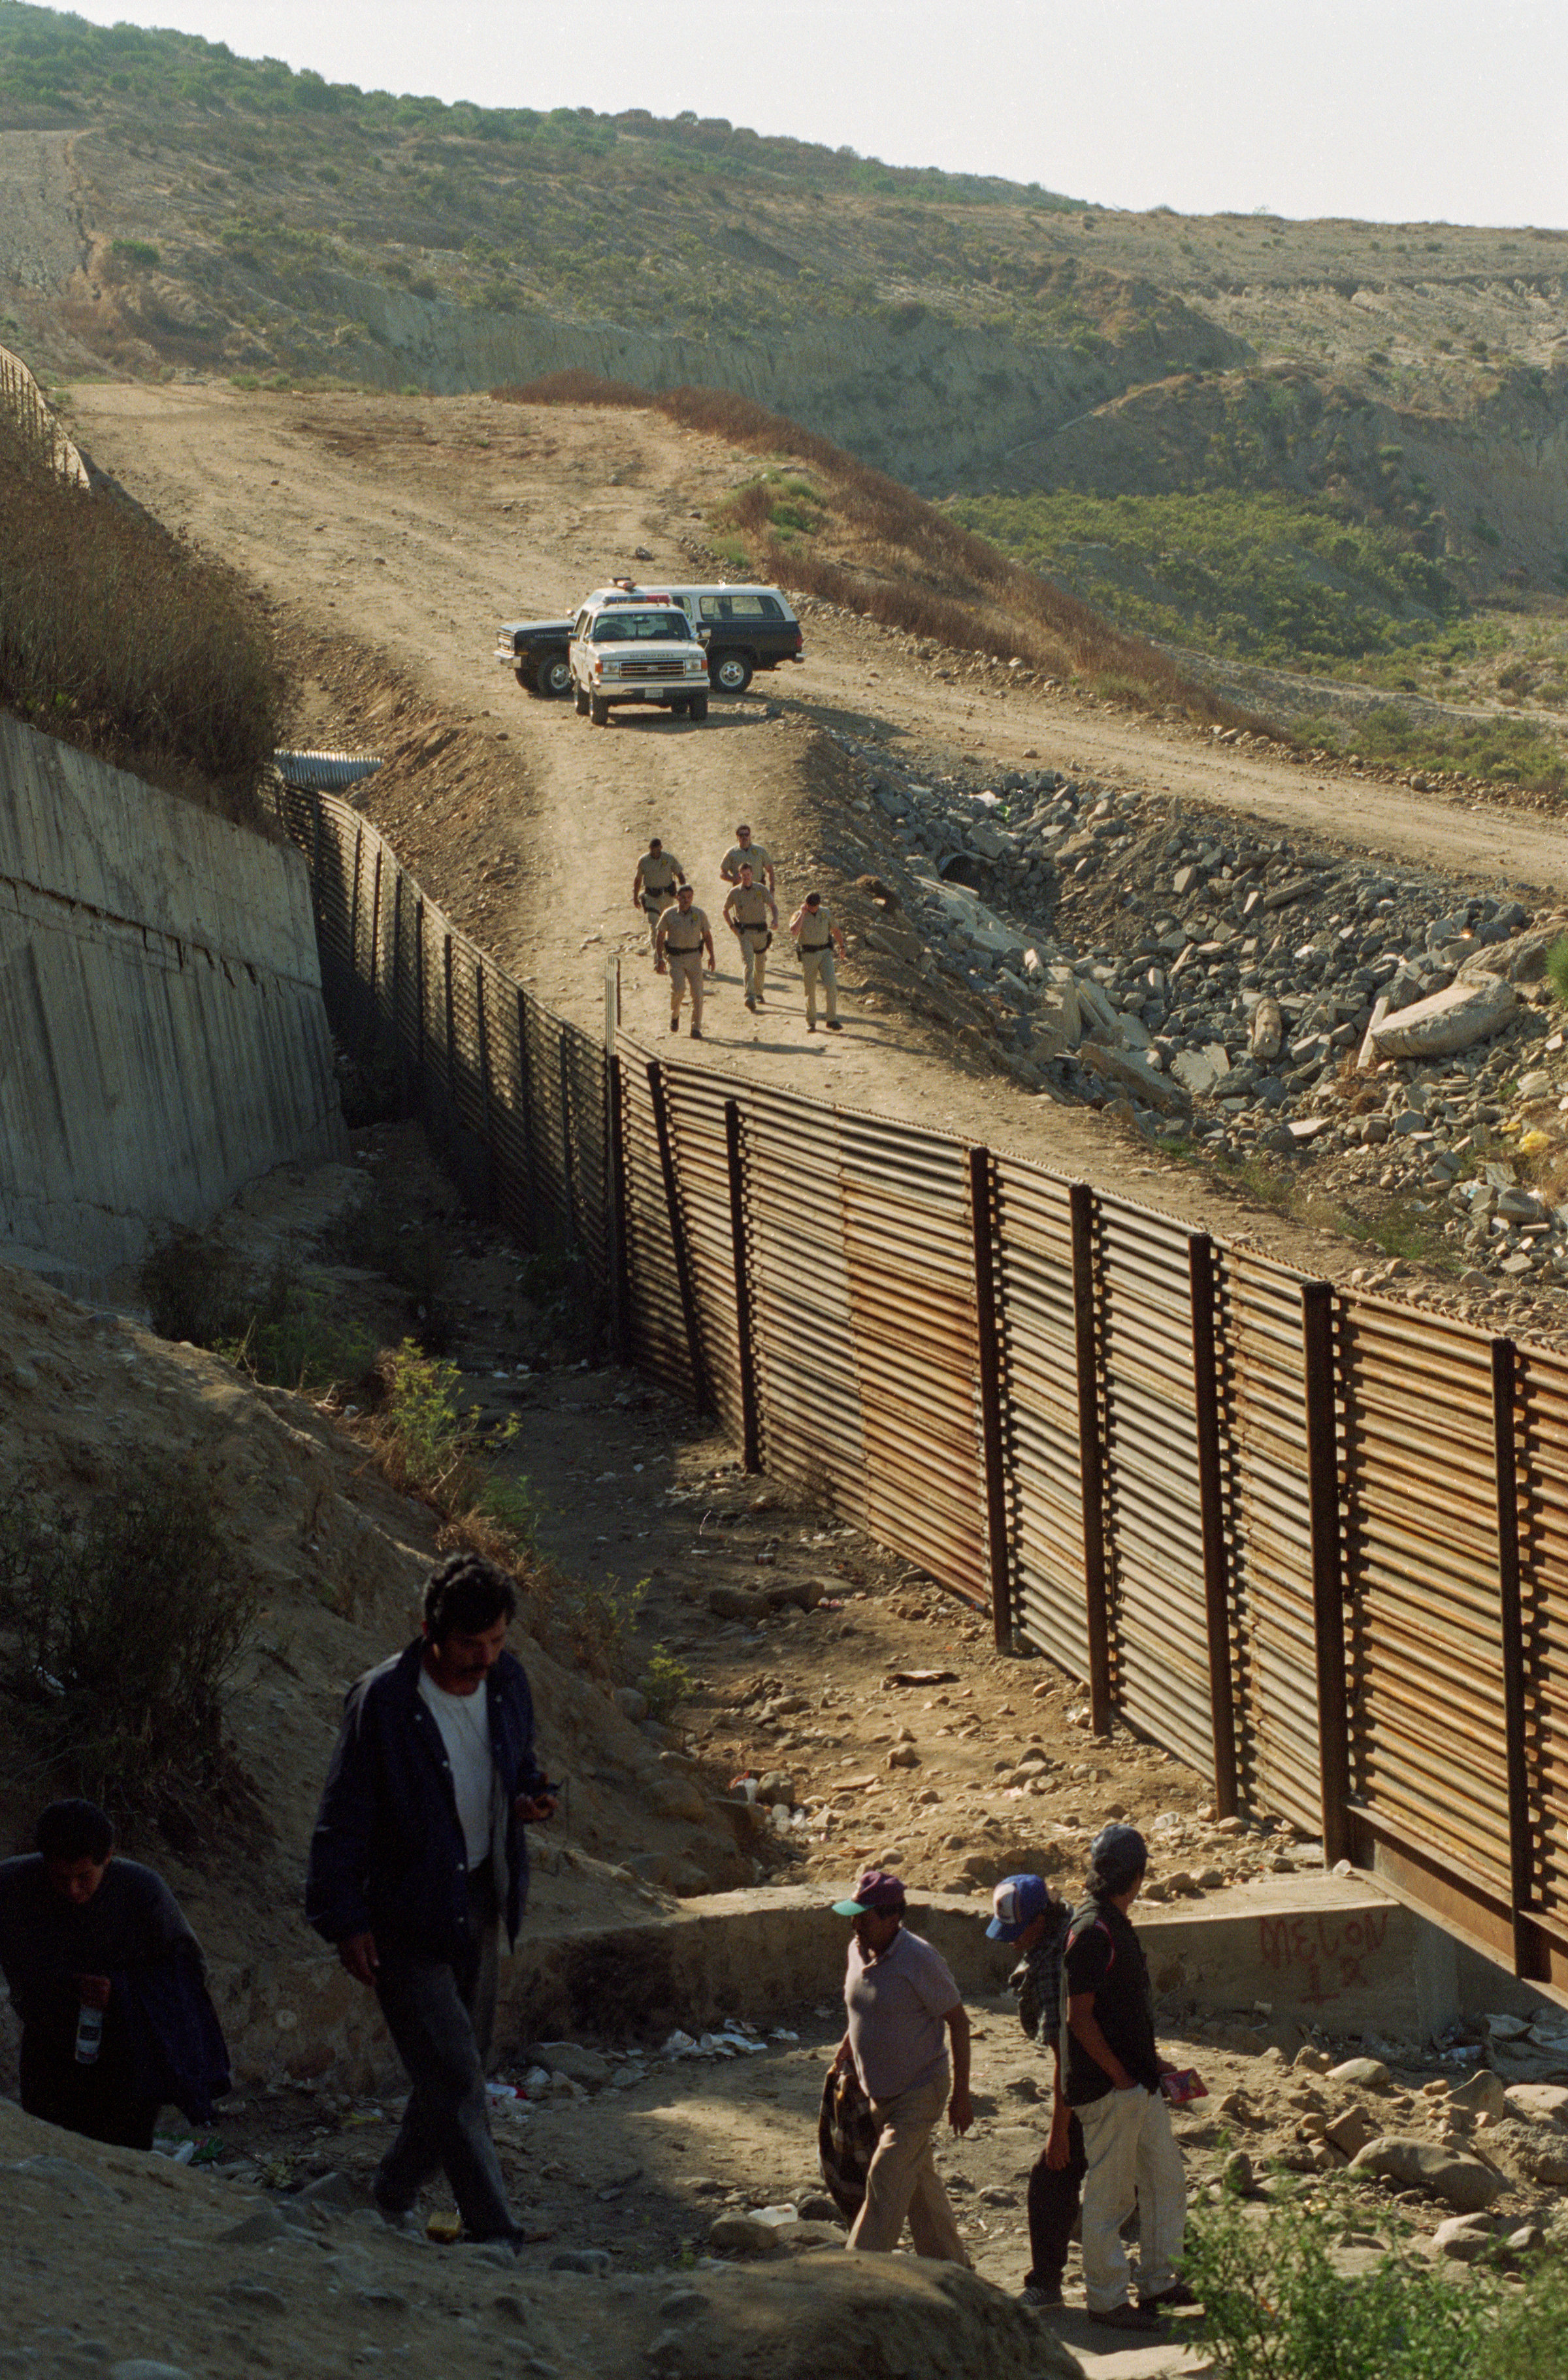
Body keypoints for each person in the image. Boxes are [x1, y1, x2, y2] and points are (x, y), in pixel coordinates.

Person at [305, 1552, 557, 2247]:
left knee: (458, 2066)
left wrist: (533, 1794)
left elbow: (516, 1759)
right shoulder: (384, 1700)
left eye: (497, 1642)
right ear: (429, 1631)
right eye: (471, 1645)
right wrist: (344, 1920)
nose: (485, 1659)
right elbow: (342, 1815)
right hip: (404, 1912)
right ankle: (493, 2227)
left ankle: (393, 2186)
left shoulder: (507, 1681)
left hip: (480, 1893)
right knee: (452, 2072)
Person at [0, 1799, 227, 2152]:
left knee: (122, 2159)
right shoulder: (13, 1885)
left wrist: (120, 1992)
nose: (73, 1890)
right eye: (60, 1878)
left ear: (108, 1856)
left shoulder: (143, 1892)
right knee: (49, 2154)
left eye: (83, 1877)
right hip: (48, 2049)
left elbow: (188, 1974)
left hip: (128, 2055)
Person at [1064, 1824, 1192, 2334]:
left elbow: (1118, 2013)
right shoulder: (1095, 1931)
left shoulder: (1110, 1923)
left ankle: (1160, 2282)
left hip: (1135, 2083)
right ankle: (1107, 2298)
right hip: (1110, 2090)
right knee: (1112, 2198)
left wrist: (1150, 2064)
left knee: (1165, 2181)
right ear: (1137, 1875)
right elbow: (1080, 2017)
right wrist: (1120, 2075)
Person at [829, 1868, 973, 2264]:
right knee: (920, 2187)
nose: (856, 1924)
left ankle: (857, 2275)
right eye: (854, 1915)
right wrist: (847, 2048)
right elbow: (862, 2009)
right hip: (878, 2092)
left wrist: (961, 2094)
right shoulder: (856, 1950)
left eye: (865, 1916)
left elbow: (958, 2022)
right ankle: (953, 2271)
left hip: (920, 2090)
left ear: (893, 1918)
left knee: (886, 2180)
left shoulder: (920, 1958)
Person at [988, 1872, 1085, 2310]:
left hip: (1093, 2084)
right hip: (1123, 2073)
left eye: (1018, 1932)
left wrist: (1058, 2132)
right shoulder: (1076, 1928)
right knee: (1148, 2176)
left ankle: (1046, 2283)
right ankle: (1197, 2266)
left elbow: (1067, 2055)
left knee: (1051, 2180)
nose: (1013, 1942)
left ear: (1040, 1919)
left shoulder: (1053, 1962)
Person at [653, 882, 715, 1039]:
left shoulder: (699, 914)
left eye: (690, 897)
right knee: (679, 989)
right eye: (683, 897)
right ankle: (675, 1015)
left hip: (694, 957)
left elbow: (707, 936)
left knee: (698, 994)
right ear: (677, 898)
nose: (687, 900)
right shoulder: (669, 914)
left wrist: (712, 956)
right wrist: (660, 958)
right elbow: (660, 937)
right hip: (675, 958)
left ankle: (696, 1028)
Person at [721, 861, 778, 1012]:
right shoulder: (735, 893)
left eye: (748, 874)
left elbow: (773, 905)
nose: (746, 878)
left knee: (760, 964)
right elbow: (725, 910)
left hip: (761, 933)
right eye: (743, 875)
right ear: (740, 875)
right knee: (748, 962)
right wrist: (732, 927)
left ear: (752, 874)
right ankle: (750, 996)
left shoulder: (761, 889)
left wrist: (775, 919)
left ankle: (759, 992)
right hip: (745, 933)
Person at [789, 890, 847, 1033]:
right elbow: (794, 931)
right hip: (808, 955)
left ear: (819, 905)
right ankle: (811, 1021)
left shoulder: (825, 913)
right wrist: (803, 914)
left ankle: (832, 1019)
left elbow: (835, 929)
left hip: (825, 953)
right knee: (810, 989)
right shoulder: (799, 914)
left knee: (832, 984)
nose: (811, 909)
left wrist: (842, 946)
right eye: (809, 906)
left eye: (813, 907)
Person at [632, 839, 687, 964]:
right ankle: (658, 958)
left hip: (667, 897)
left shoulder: (669, 859)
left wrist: (683, 892)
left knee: (668, 926)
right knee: (655, 925)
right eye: (653, 849)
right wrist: (635, 897)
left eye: (658, 849)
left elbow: (680, 875)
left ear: (661, 848)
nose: (655, 852)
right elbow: (638, 879)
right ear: (649, 848)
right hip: (651, 898)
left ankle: (670, 954)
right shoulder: (644, 861)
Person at [719, 823, 775, 895]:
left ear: (750, 836)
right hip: (740, 891)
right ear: (737, 837)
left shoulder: (760, 851)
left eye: (746, 834)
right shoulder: (731, 853)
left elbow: (770, 870)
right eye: (741, 835)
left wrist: (772, 889)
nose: (744, 837)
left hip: (758, 890)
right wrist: (734, 879)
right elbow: (722, 873)